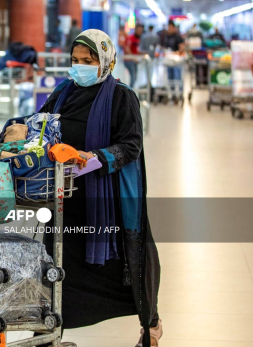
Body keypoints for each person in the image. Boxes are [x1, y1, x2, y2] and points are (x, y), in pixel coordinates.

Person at [35, 29, 161, 347]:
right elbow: (40, 125)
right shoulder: (63, 92)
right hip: (64, 199)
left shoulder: (122, 98)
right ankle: (51, 333)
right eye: (76, 60)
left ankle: (150, 325)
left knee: (125, 268)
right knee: (60, 267)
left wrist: (97, 158)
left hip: (105, 204)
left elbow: (131, 145)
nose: (80, 67)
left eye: (88, 60)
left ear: (107, 61)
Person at [163, 20, 185, 100]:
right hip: (169, 60)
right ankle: (172, 94)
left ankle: (180, 93)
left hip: (177, 60)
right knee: (170, 77)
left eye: (170, 27)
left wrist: (177, 53)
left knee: (178, 76)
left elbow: (182, 48)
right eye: (168, 27)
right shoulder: (167, 36)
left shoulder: (178, 37)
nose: (169, 29)